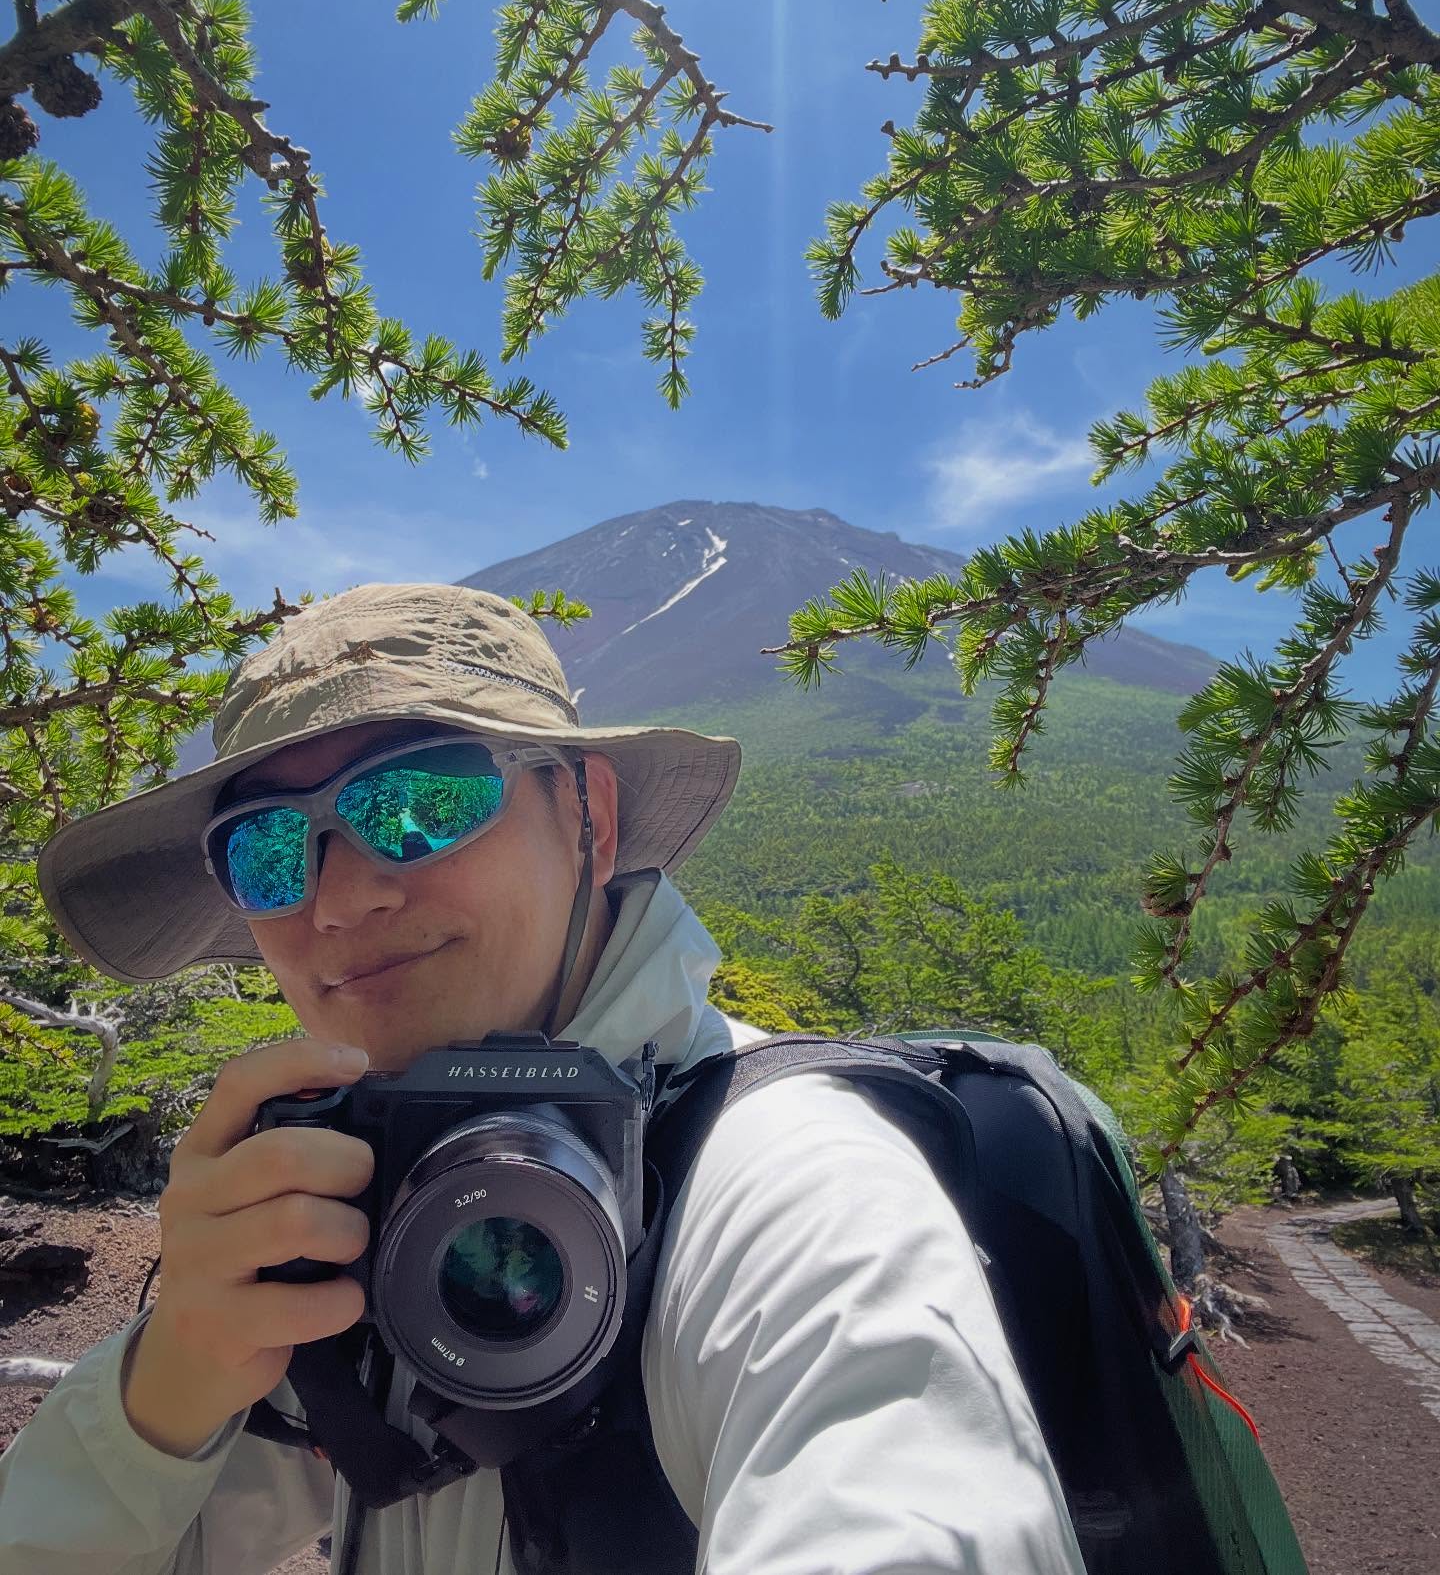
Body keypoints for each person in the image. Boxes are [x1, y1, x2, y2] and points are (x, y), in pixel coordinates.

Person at [0, 582, 1086, 1574]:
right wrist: (169, 1385)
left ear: (589, 819)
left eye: (417, 800)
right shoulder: (354, 1205)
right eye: (267, 853)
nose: (336, 905)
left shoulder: (794, 1191)